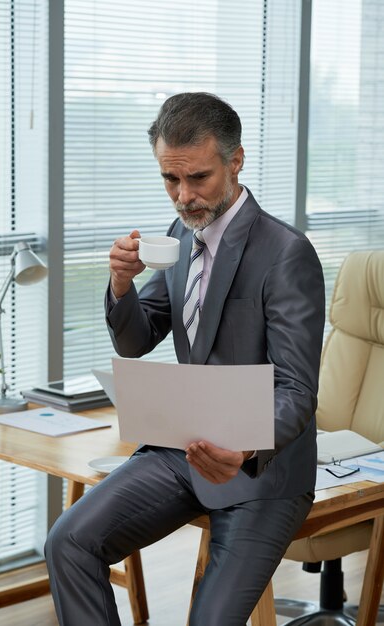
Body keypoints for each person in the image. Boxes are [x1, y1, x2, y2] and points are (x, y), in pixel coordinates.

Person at [45, 92, 325, 625]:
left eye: (197, 178)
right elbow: (137, 339)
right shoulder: (180, 235)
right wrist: (121, 285)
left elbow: (296, 392)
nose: (183, 196)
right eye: (170, 180)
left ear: (235, 160)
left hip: (260, 469)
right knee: (68, 543)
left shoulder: (286, 253)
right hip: (181, 451)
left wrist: (243, 447)